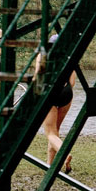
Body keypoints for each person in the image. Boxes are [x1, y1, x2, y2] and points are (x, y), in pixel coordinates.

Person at [38, 34, 76, 174]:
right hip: (66, 93)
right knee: (56, 132)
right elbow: (72, 82)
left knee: (50, 133)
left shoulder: (44, 55)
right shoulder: (68, 57)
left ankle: (65, 154)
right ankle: (50, 164)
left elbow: (38, 76)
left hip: (50, 93)